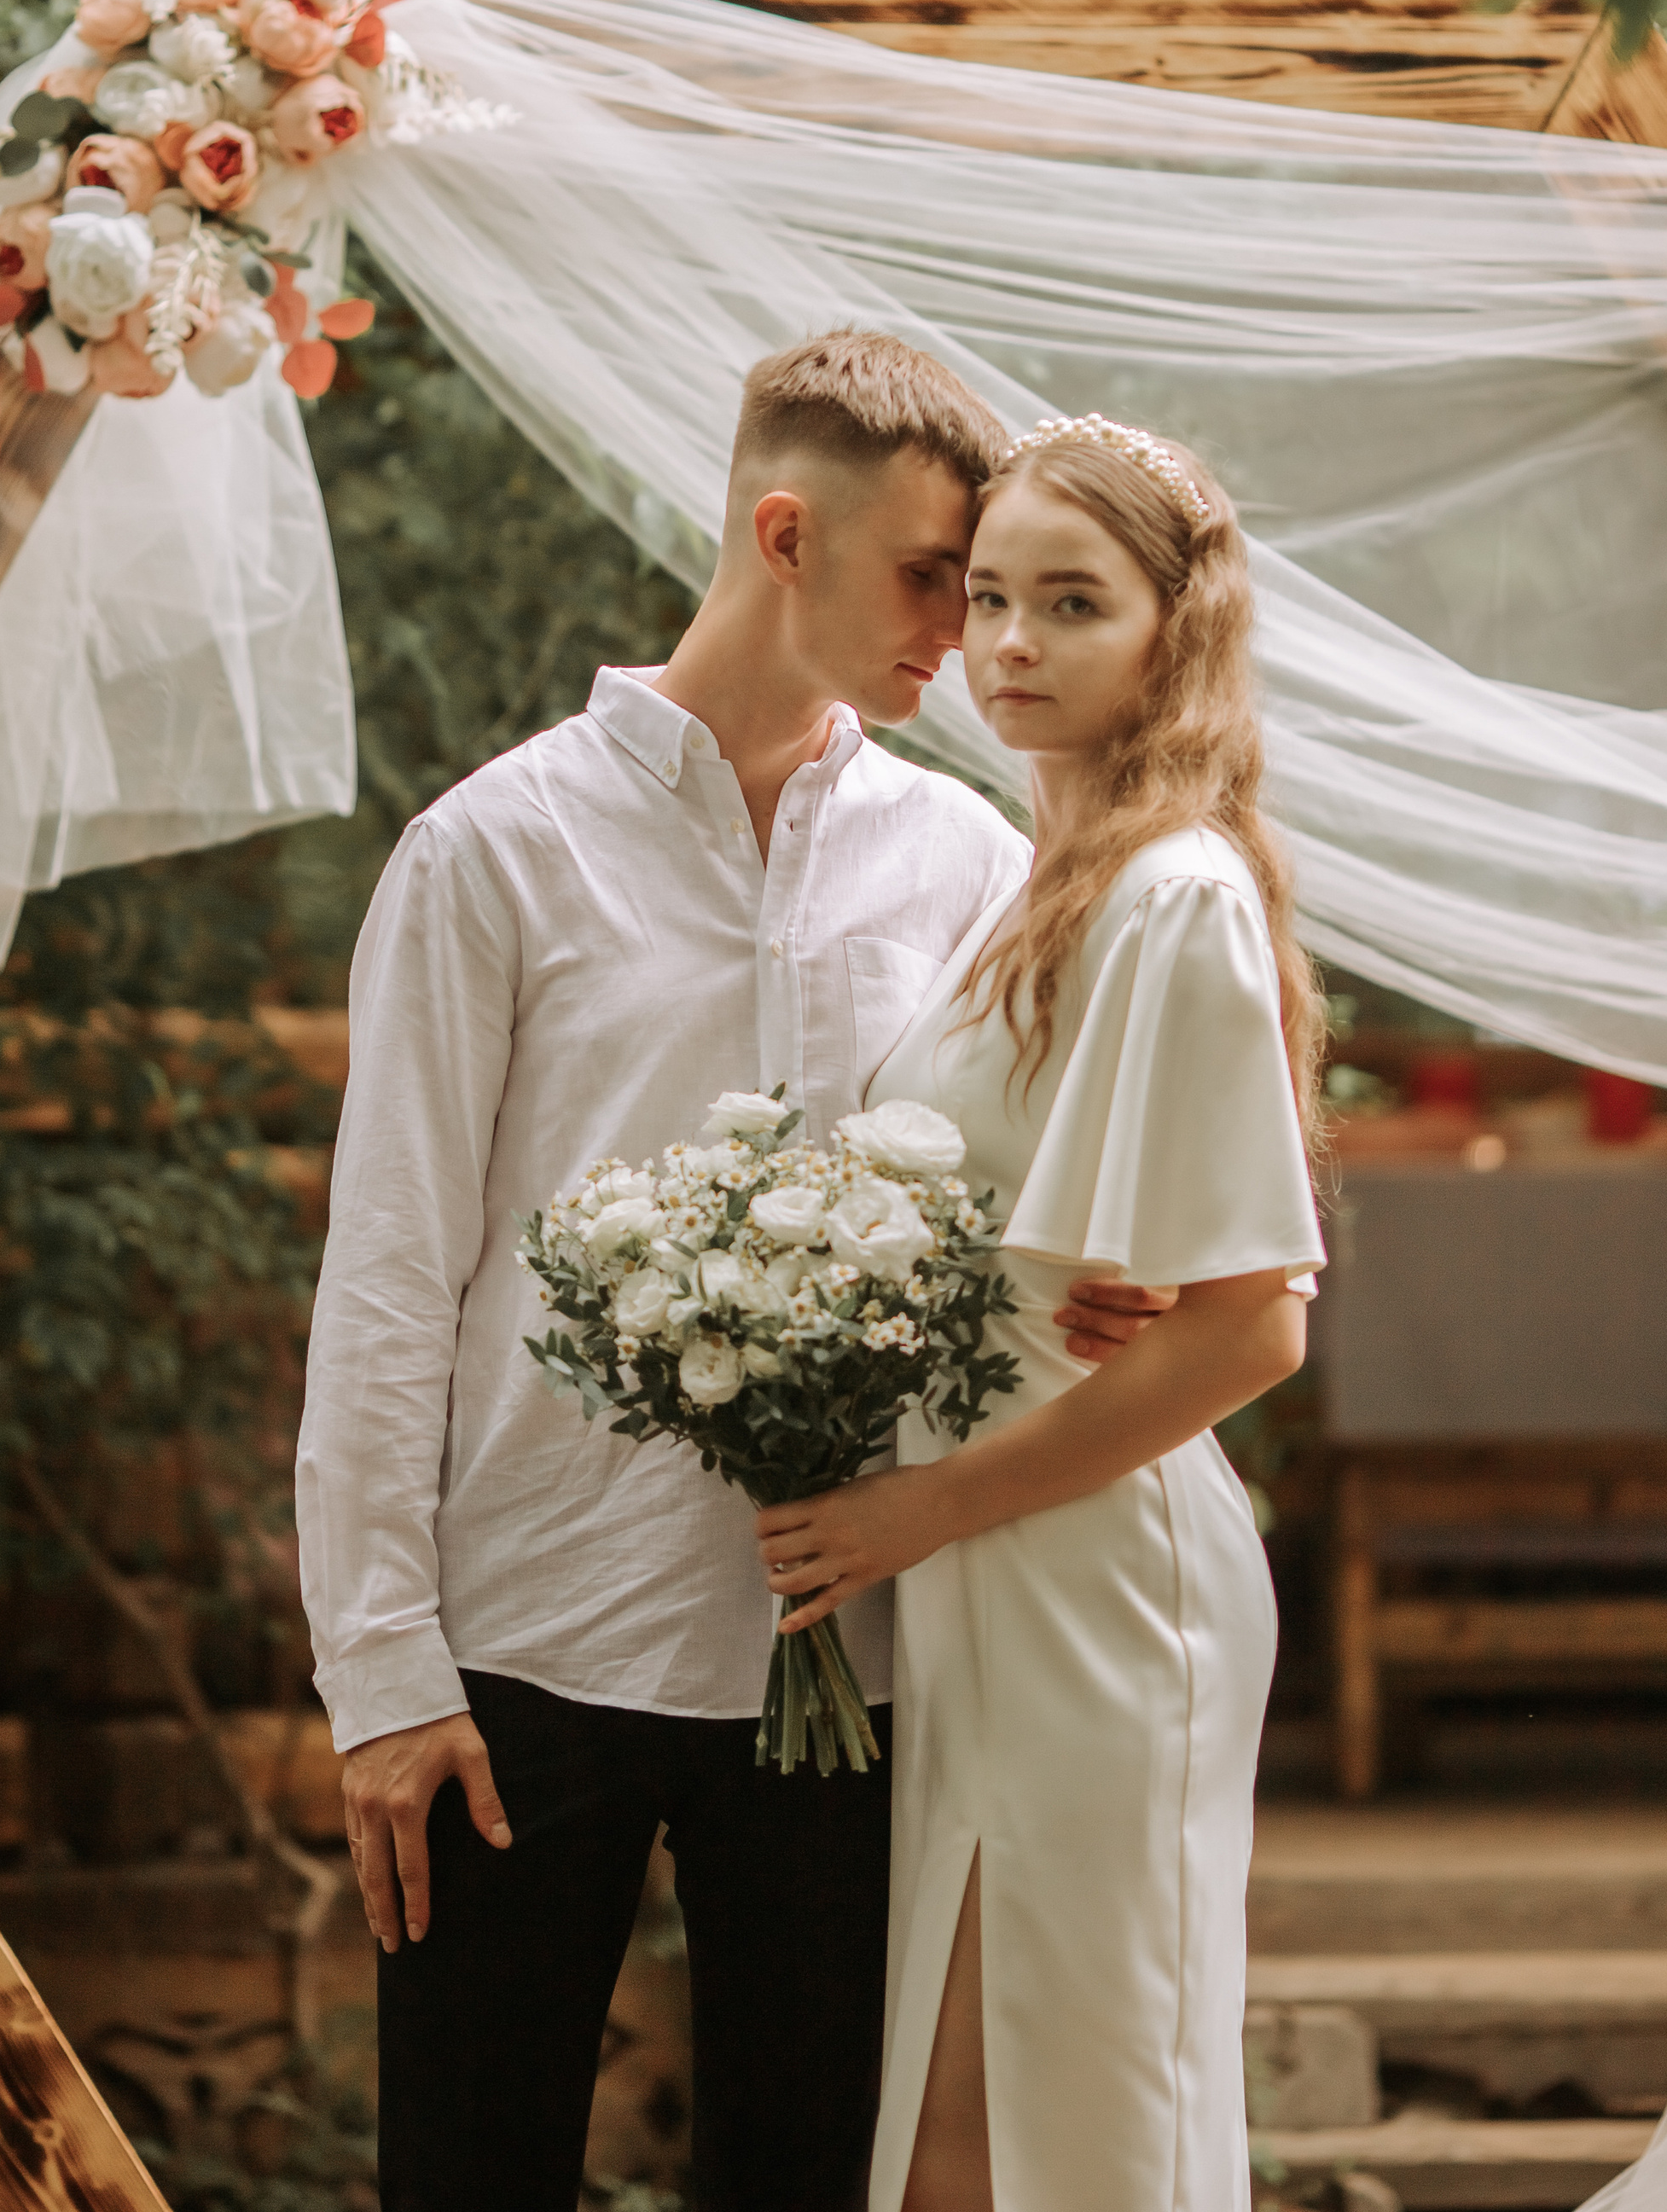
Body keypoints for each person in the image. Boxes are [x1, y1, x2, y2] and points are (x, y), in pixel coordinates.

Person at [295, 335, 1173, 2212]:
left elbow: (1015, 1190)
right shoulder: (493, 852)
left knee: (806, 2182)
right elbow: (387, 1274)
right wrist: (379, 1666)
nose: (974, 624)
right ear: (786, 531)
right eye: (937, 571)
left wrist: (1087, 1291)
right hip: (527, 1641)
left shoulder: (971, 857)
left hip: (854, 1657)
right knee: (467, 2170)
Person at [754, 415, 1327, 2212]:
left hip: (1095, 1581)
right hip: (993, 1574)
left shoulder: (1172, 897)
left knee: (1068, 2128)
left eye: (1068, 603)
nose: (1006, 641)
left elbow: (1247, 1330)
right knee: (958, 2131)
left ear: (1175, 627)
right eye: (986, 594)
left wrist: (915, 1503)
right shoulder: (1035, 886)